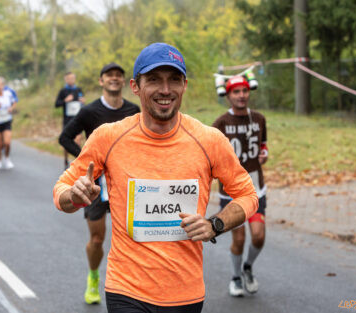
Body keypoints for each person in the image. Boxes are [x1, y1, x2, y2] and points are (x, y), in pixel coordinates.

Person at [53, 43, 259, 313]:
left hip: (185, 292)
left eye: (174, 79)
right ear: (135, 86)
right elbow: (61, 192)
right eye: (154, 80)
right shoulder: (108, 137)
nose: (165, 90)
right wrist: (74, 196)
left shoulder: (209, 140)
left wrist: (215, 225)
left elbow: (248, 195)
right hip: (126, 289)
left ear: (184, 85)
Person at [59, 63, 140, 304]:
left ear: (124, 82)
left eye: (118, 76)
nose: (114, 79)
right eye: (109, 76)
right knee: (97, 238)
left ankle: (131, 286)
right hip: (95, 184)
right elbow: (64, 137)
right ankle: (94, 276)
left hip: (126, 182)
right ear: (101, 81)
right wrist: (86, 157)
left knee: (133, 236)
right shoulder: (88, 111)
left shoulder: (134, 110)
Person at [212, 75, 268, 297]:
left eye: (244, 91)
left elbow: (263, 145)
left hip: (255, 187)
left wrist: (264, 153)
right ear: (228, 96)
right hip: (231, 190)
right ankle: (235, 277)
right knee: (239, 237)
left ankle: (248, 267)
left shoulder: (260, 118)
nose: (241, 95)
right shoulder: (220, 124)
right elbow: (211, 154)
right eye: (236, 92)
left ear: (249, 93)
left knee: (258, 236)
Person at [55, 72, 85, 168]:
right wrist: (65, 101)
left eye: (72, 78)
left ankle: (76, 163)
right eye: (69, 78)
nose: (71, 80)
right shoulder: (63, 91)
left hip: (78, 119)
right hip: (67, 119)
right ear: (66, 79)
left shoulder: (78, 89)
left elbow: (83, 102)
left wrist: (83, 102)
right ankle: (66, 160)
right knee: (66, 140)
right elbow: (56, 104)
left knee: (77, 141)